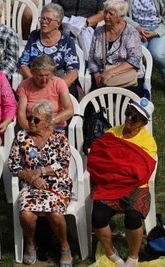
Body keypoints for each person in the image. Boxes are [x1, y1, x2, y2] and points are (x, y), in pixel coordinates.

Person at [88, 98, 157, 267]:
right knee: (98, 217)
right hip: (110, 184)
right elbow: (98, 158)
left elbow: (141, 171)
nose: (129, 118)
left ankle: (133, 257)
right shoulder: (112, 133)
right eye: (128, 113)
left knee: (133, 218)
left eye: (135, 118)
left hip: (135, 186)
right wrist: (116, 168)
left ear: (144, 123)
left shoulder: (148, 143)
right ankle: (112, 254)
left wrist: (118, 166)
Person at [8, 100, 74, 266]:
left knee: (55, 214)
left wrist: (41, 171)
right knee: (26, 215)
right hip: (30, 185)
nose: (31, 122)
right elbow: (13, 164)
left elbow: (63, 163)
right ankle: (31, 244)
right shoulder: (21, 137)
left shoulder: (59, 138)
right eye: (30, 117)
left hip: (56, 184)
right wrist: (30, 177)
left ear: (48, 121)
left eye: (36, 120)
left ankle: (65, 247)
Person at [18, 3, 81, 97]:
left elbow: (73, 70)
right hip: (35, 79)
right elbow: (23, 64)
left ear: (58, 24)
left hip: (59, 80)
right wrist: (36, 81)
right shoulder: (34, 36)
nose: (44, 22)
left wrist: (58, 87)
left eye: (48, 20)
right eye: (42, 18)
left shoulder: (66, 40)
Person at [88, 0, 146, 96]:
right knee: (91, 106)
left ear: (121, 16)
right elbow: (91, 58)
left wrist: (110, 73)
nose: (106, 16)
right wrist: (97, 76)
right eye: (105, 12)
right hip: (102, 79)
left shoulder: (131, 32)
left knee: (131, 106)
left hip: (127, 79)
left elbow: (134, 60)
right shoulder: (98, 32)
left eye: (111, 14)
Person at [17, 55, 75, 132]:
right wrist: (32, 129)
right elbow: (21, 115)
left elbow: (69, 110)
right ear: (33, 73)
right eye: (40, 75)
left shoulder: (59, 83)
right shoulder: (25, 85)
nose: (44, 79)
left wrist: (51, 122)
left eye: (47, 75)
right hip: (32, 128)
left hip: (56, 127)